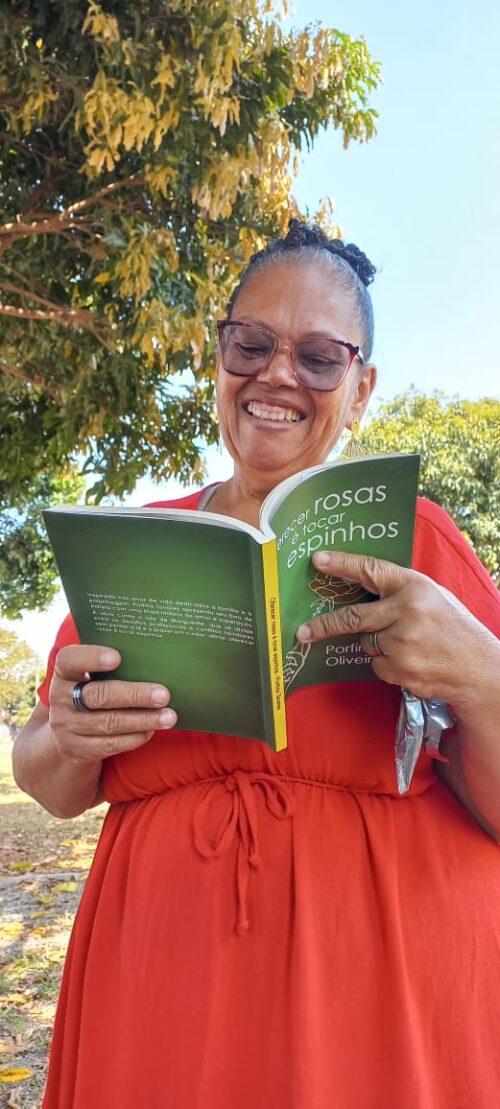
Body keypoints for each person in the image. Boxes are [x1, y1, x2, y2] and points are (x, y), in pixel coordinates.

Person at [13, 220, 500, 1109]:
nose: (278, 374)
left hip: (373, 1008)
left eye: (319, 357)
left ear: (360, 390)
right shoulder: (137, 545)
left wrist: (483, 676)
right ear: (219, 355)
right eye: (252, 343)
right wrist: (69, 734)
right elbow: (48, 779)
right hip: (162, 990)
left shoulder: (423, 544)